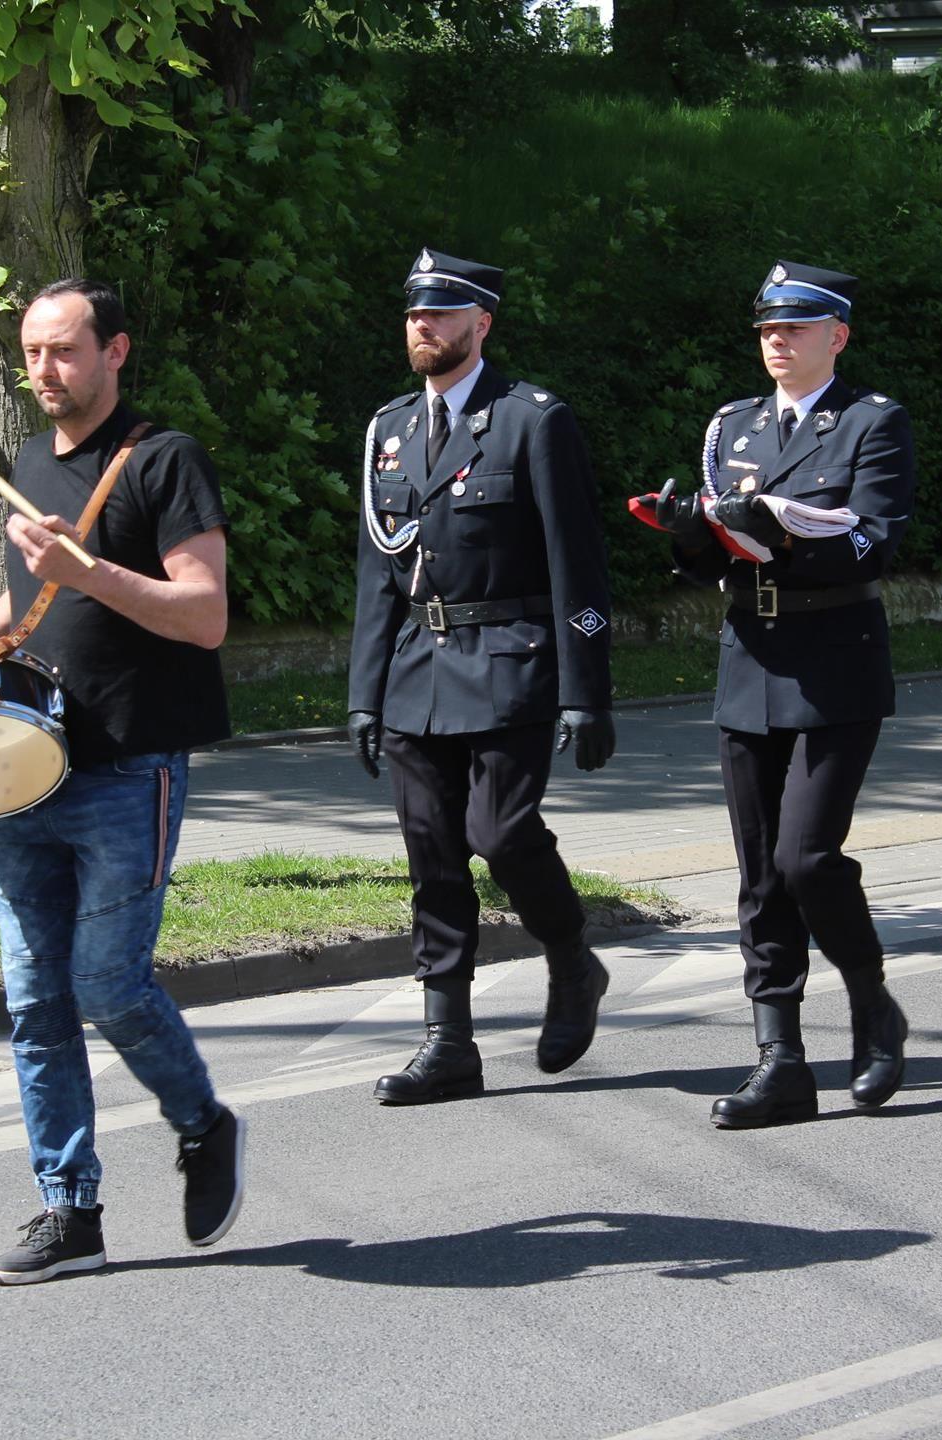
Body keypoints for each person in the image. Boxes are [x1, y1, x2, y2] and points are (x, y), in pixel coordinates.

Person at [0, 278, 245, 1283]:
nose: (44, 370)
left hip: (128, 765)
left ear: (116, 351)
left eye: (64, 351)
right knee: (36, 1002)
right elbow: (22, 608)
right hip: (20, 772)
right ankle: (68, 1210)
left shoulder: (165, 462)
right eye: (32, 353)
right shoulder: (30, 462)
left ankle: (203, 1122)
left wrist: (92, 575)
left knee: (108, 988)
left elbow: (203, 614)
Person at [643, 260, 915, 1129]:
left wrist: (787, 537)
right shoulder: (733, 425)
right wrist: (691, 535)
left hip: (835, 655)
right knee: (761, 874)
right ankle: (781, 1059)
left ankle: (871, 1001)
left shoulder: (872, 422)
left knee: (807, 858)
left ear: (837, 335)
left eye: (795, 328)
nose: (778, 342)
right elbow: (714, 556)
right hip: (750, 655)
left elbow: (874, 542)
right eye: (768, 329)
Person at [346, 248, 618, 1105]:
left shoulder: (532, 420)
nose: (423, 328)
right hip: (416, 673)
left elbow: (580, 566)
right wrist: (362, 692)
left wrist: (587, 691)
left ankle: (571, 957)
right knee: (431, 855)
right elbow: (375, 574)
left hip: (509, 663)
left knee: (499, 836)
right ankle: (448, 1041)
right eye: (414, 315)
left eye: (441, 315)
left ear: (481, 324)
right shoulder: (389, 428)